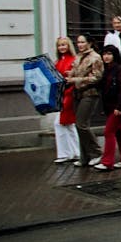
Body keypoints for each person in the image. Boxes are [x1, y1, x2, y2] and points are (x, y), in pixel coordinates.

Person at [67, 34, 103, 167]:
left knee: (81, 124)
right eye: (78, 42)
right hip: (77, 94)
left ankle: (97, 152)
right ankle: (85, 157)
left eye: (83, 42)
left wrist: (75, 80)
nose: (80, 45)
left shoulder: (96, 58)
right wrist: (69, 74)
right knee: (79, 125)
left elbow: (96, 77)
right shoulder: (78, 57)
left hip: (90, 94)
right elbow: (74, 71)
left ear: (90, 43)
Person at [93, 45, 121, 171]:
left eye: (109, 54)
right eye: (104, 54)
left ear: (114, 55)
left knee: (109, 132)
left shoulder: (119, 69)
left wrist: (119, 106)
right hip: (110, 107)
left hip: (118, 108)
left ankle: (107, 162)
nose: (106, 57)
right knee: (119, 133)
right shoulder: (107, 70)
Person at [52, 36, 80, 164]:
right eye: (59, 45)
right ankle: (73, 152)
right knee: (67, 124)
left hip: (69, 95)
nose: (62, 47)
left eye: (64, 45)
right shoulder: (58, 61)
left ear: (69, 46)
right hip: (62, 95)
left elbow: (72, 79)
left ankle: (68, 153)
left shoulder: (73, 60)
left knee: (63, 123)